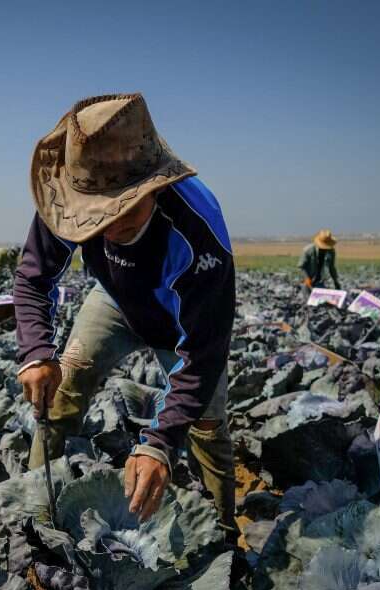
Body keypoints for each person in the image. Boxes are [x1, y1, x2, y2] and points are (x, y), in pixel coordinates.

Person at [13, 93, 236, 531]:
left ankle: (223, 532)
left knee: (207, 425)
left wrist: (159, 443)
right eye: (96, 218)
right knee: (62, 385)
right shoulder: (68, 199)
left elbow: (203, 353)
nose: (109, 227)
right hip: (115, 301)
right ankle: (35, 510)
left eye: (125, 213)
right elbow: (33, 277)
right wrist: (36, 352)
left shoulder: (199, 231)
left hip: (179, 326)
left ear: (156, 187)